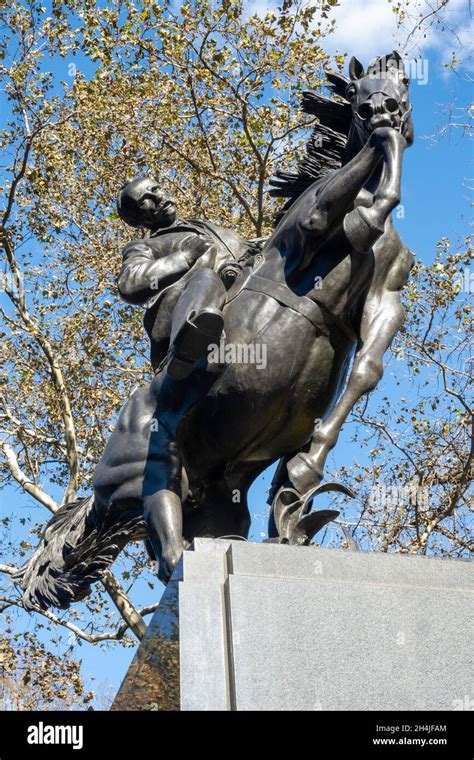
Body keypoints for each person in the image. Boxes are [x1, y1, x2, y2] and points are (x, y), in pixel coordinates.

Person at [116, 176, 254, 378]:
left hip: (245, 293)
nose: (157, 197)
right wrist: (184, 257)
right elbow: (129, 283)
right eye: (146, 198)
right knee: (206, 279)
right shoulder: (144, 246)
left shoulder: (208, 227)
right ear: (136, 218)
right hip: (194, 306)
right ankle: (187, 349)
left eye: (156, 188)